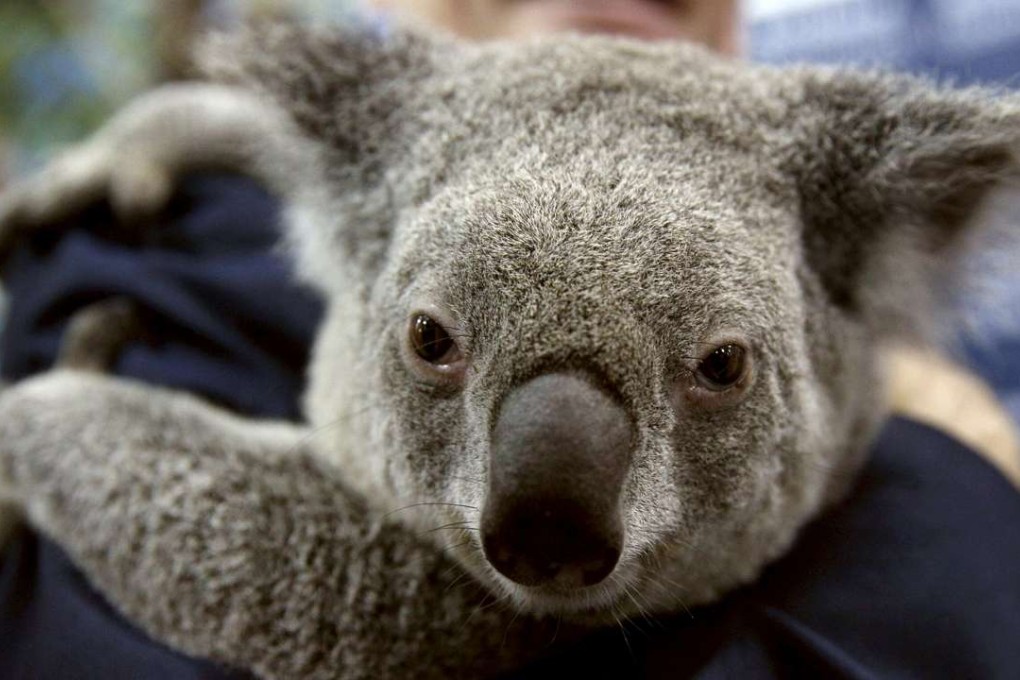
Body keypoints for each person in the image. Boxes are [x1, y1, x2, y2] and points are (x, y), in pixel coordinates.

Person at [0, 1, 1017, 677]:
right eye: (434, 340)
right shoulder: (171, 257)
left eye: (720, 366)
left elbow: (282, 565)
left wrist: (51, 424)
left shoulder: (844, 270)